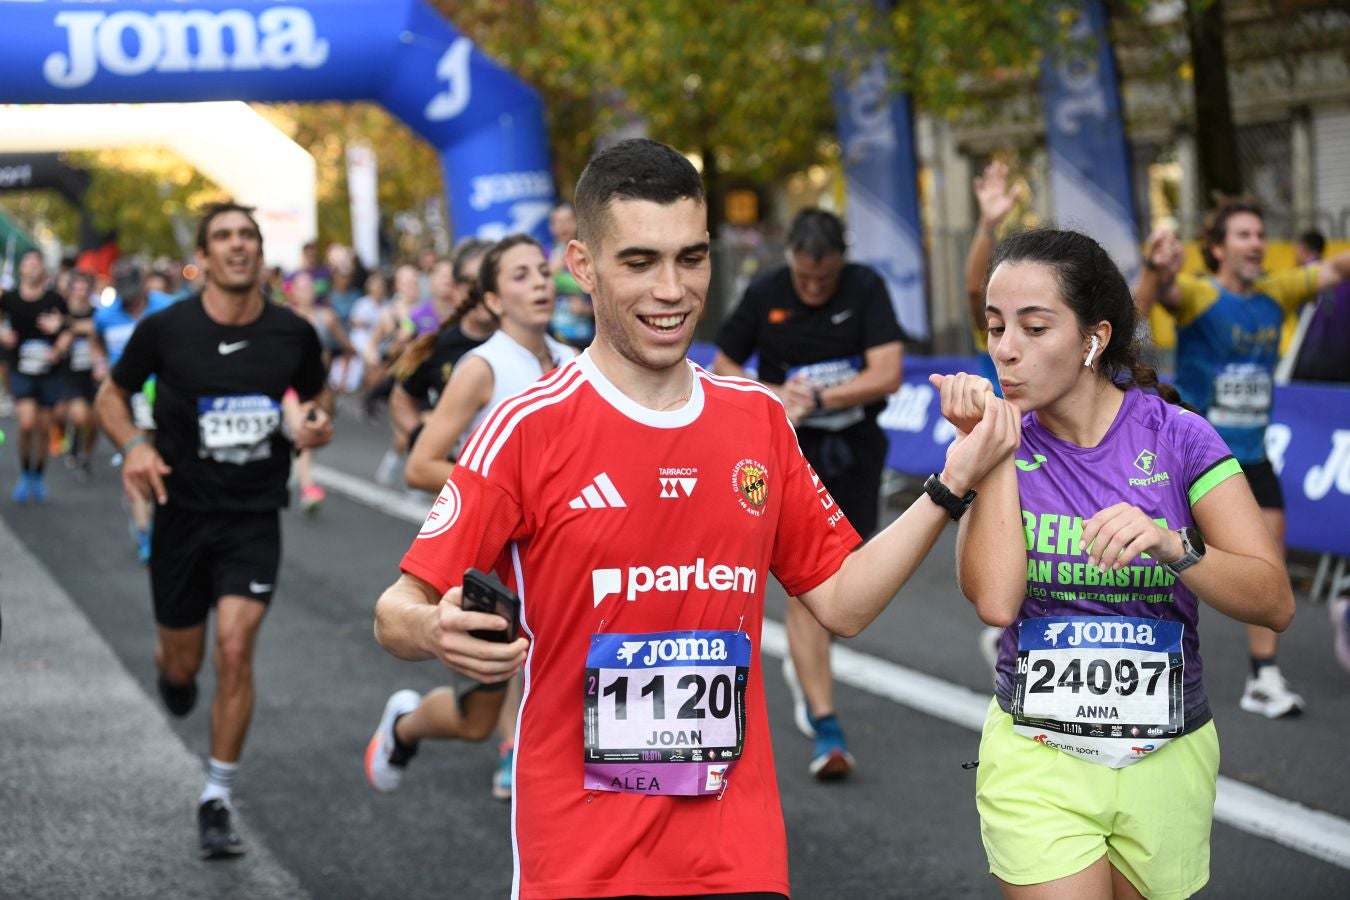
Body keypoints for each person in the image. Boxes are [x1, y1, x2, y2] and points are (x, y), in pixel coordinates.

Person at [367, 138, 1018, 899]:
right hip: (580, 859)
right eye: (639, 262)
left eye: (692, 258)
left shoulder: (756, 420)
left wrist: (951, 483)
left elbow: (843, 601)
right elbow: (395, 610)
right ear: (583, 266)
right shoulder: (527, 427)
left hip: (735, 853)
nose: (672, 290)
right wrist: (433, 628)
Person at [950, 226, 1294, 899]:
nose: (1005, 349)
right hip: (1036, 756)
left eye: (1034, 327)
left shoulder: (1180, 437)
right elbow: (994, 601)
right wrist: (987, 453)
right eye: (995, 327)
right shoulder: (997, 442)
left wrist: (1174, 545)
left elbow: (1274, 600)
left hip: (1165, 754)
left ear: (1094, 338)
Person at [94, 201, 333, 859]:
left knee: (234, 648)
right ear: (202, 257)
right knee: (184, 665)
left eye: (247, 235)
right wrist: (132, 447)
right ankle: (171, 672)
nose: (237, 245)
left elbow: (318, 395)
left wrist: (315, 421)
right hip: (180, 513)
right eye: (223, 236)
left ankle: (216, 796)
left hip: (253, 518)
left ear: (259, 251)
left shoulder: (292, 333)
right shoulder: (166, 329)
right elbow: (111, 396)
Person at [368, 234, 573, 802]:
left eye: (542, 271)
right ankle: (405, 727)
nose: (539, 283)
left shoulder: (578, 363)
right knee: (476, 716)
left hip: (562, 555)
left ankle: (524, 754)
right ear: (493, 299)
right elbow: (422, 465)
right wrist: (510, 500)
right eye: (520, 275)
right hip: (493, 558)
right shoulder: (481, 367)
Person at [1136, 202, 1350, 718]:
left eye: (1260, 234)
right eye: (1243, 235)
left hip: (1251, 457)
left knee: (1267, 565)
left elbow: (1336, 269)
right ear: (1217, 248)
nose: (1256, 243)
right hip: (1189, 456)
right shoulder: (1197, 294)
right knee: (1157, 562)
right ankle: (1129, 659)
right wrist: (1154, 269)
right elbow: (1139, 310)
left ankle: (1264, 677)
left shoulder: (1279, 292)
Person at [712, 207, 903, 779]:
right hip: (789, 449)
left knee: (848, 574)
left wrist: (821, 398)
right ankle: (826, 725)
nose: (814, 288)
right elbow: (724, 365)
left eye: (824, 279)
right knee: (810, 583)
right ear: (790, 259)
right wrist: (775, 394)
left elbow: (887, 372)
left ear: (840, 263)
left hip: (854, 449)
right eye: (804, 277)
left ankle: (809, 661)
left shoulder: (865, 287)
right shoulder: (766, 290)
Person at [388, 239, 495, 457]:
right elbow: (400, 400)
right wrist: (423, 441)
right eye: (472, 283)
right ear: (455, 289)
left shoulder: (528, 339)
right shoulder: (439, 344)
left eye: (490, 281)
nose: (482, 291)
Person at [1, 249, 71, 504]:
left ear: (43, 269)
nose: (32, 267)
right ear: (21, 269)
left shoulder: (54, 299)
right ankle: (24, 473)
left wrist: (58, 346)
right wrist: (3, 334)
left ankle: (37, 476)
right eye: (28, 263)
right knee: (27, 424)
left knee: (43, 429)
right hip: (21, 369)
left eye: (36, 263)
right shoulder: (9, 298)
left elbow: (69, 327)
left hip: (48, 372)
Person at [547, 202, 595, 348]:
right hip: (555, 338)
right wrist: (550, 272)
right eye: (558, 222)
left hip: (587, 337)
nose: (563, 227)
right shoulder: (544, 255)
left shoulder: (590, 254)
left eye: (568, 220)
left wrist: (587, 309)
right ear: (551, 227)